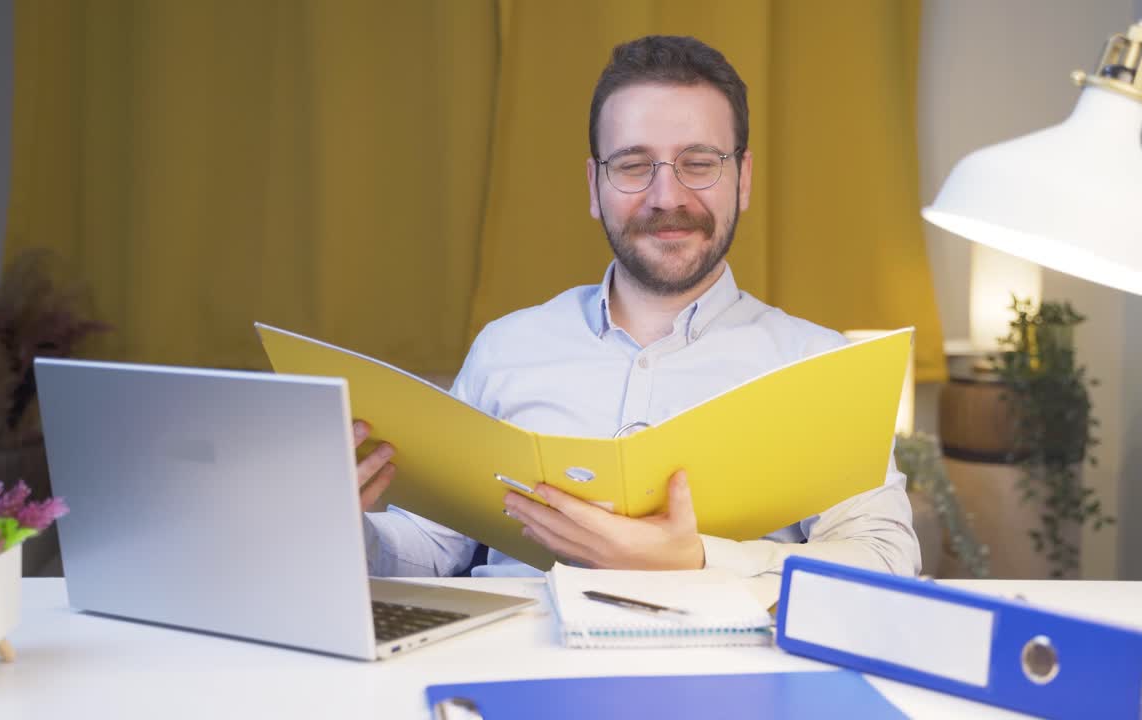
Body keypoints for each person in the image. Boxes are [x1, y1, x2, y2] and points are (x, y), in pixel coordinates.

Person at [353, 35, 920, 579]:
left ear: (742, 179)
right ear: (594, 186)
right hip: (516, 666)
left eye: (698, 163)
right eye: (632, 165)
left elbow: (886, 560)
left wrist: (698, 561)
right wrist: (350, 529)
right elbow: (431, 549)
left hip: (722, 676)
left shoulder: (817, 364)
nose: (666, 197)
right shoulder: (507, 346)